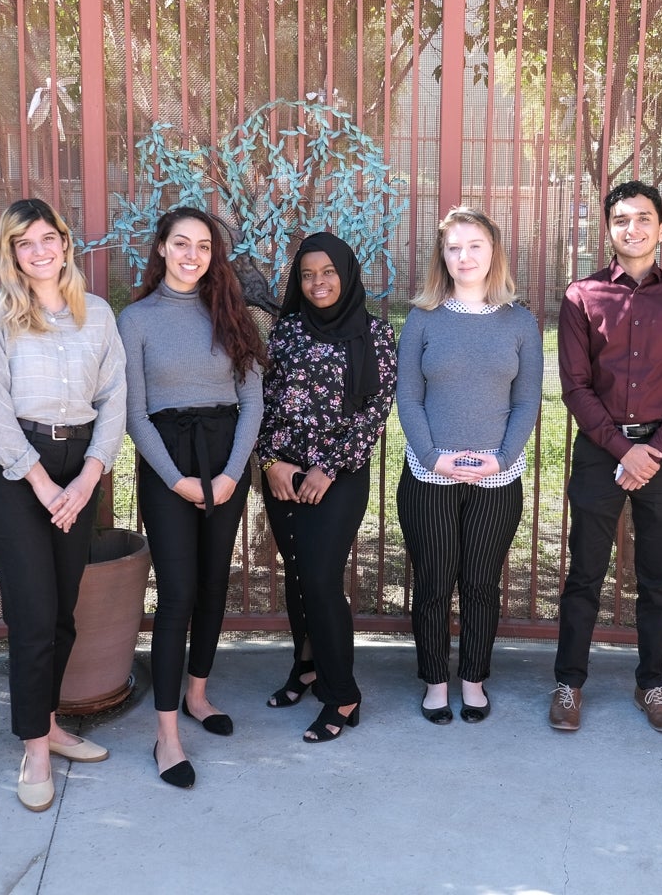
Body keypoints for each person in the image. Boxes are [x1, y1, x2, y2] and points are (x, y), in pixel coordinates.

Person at [0, 198, 126, 812]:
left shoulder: (98, 315)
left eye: (48, 238)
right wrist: (42, 484)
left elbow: (114, 398)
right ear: (11, 252)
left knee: (63, 614)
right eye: (24, 242)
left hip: (78, 468)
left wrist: (88, 478)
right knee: (34, 616)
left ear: (64, 242)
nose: (40, 251)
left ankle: (50, 723)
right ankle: (35, 747)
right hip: (16, 473)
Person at [550, 180, 662, 733]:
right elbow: (575, 386)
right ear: (609, 228)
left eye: (644, 218)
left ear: (661, 228)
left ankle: (652, 685)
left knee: (657, 577)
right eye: (621, 219)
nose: (633, 228)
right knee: (584, 574)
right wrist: (622, 450)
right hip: (600, 452)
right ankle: (568, 684)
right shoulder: (581, 296)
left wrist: (653, 452)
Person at [118, 207, 265, 786]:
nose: (192, 254)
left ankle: (199, 694)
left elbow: (251, 402)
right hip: (167, 462)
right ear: (160, 249)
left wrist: (231, 475)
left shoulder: (232, 315)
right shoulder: (136, 320)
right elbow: (134, 412)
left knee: (212, 584)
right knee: (177, 593)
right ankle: (168, 735)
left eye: (203, 246)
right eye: (181, 243)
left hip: (226, 459)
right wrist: (176, 480)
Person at [396, 208, 543, 725]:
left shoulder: (521, 321)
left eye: (474, 245)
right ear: (443, 256)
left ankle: (473, 680)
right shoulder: (422, 318)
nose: (464, 256)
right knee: (434, 584)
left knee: (480, 584)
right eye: (454, 247)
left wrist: (500, 458)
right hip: (429, 475)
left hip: (495, 479)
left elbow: (527, 402)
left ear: (493, 251)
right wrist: (435, 456)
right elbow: (408, 399)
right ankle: (436, 682)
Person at [257, 233, 397, 742]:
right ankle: (306, 667)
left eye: (328, 272)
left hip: (337, 476)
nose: (318, 282)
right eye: (308, 274)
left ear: (347, 273)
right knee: (296, 574)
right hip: (282, 474)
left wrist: (327, 467)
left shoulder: (375, 333)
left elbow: (375, 411)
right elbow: (263, 401)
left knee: (319, 577)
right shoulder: (286, 331)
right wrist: (271, 461)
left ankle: (342, 693)